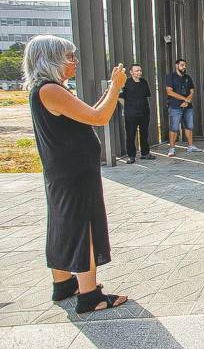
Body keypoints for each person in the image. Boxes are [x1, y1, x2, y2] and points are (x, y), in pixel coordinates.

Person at [23, 35, 128, 313]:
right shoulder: (50, 90)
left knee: (63, 225)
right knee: (84, 227)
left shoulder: (45, 89)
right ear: (52, 59)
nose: (75, 62)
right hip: (74, 173)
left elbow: (88, 113)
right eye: (70, 57)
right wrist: (116, 88)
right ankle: (89, 295)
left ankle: (64, 284)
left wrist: (110, 91)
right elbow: (98, 117)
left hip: (64, 172)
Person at [120, 64, 155, 164]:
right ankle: (131, 156)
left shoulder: (144, 82)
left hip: (144, 113)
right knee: (131, 135)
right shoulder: (126, 83)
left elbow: (147, 95)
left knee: (144, 134)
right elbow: (119, 96)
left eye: (140, 70)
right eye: (136, 71)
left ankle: (145, 153)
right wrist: (127, 106)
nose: (139, 72)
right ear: (131, 72)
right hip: (131, 114)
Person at [165, 59, 201, 156]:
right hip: (175, 106)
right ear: (177, 65)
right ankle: (172, 148)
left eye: (185, 65)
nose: (184, 67)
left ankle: (190, 146)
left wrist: (187, 99)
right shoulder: (170, 77)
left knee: (189, 126)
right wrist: (184, 99)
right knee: (174, 128)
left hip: (188, 107)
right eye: (182, 65)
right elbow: (169, 92)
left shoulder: (187, 77)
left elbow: (192, 90)